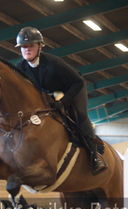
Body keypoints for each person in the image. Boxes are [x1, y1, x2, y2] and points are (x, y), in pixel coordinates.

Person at [15, 26, 105, 174]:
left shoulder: (53, 62)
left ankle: (94, 156)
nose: (26, 49)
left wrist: (63, 102)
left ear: (40, 46)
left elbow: (78, 82)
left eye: (30, 45)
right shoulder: (20, 67)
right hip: (49, 95)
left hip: (72, 89)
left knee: (79, 115)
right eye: (23, 47)